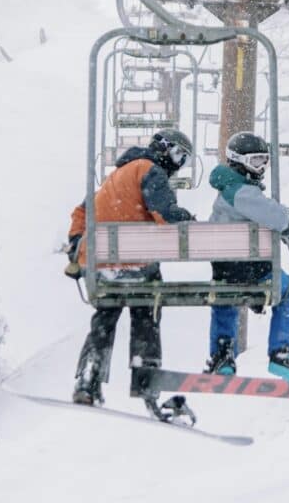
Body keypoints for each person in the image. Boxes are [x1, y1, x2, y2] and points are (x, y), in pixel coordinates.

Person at [64, 129, 195, 405]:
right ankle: (145, 375)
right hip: (138, 266)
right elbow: (167, 216)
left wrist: (77, 245)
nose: (178, 164)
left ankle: (89, 376)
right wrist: (188, 220)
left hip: (103, 266)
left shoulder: (117, 176)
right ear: (165, 149)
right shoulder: (150, 171)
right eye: (179, 155)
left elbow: (81, 212)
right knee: (146, 309)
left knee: (106, 318)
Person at [204, 131, 289, 384]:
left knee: (225, 298)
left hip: (224, 273)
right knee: (286, 292)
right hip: (253, 271)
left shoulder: (225, 192)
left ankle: (223, 355)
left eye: (264, 161)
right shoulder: (240, 191)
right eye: (256, 161)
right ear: (238, 161)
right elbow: (274, 215)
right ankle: (281, 352)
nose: (262, 168)